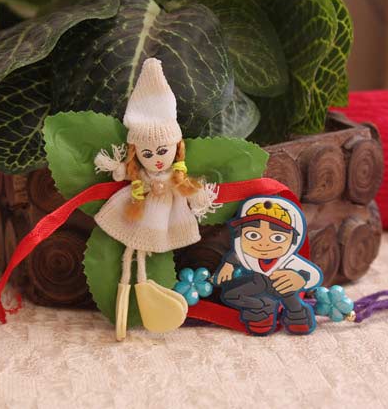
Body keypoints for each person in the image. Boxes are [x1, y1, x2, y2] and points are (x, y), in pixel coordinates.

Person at [93, 58, 220, 341]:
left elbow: (191, 190)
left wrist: (201, 196)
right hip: (136, 211)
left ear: (176, 147)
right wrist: (118, 169)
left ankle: (143, 293)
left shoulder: (175, 177)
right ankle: (124, 300)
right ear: (136, 153)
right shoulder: (141, 178)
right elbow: (121, 173)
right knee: (129, 254)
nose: (157, 159)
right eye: (147, 154)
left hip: (160, 219)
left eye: (163, 151)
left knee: (139, 257)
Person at [215, 196, 322, 335]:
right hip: (257, 283)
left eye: (277, 237)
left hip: (281, 284)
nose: (263, 244)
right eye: (253, 235)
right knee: (230, 295)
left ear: (293, 239)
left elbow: (313, 274)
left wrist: (300, 279)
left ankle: (298, 315)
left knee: (288, 292)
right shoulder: (247, 256)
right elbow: (238, 257)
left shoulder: (289, 261)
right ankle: (261, 309)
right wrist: (228, 265)